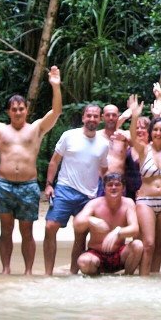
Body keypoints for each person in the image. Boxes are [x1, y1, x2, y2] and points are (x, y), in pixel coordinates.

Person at [0, 68, 62, 275]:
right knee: (6, 230)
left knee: (27, 232)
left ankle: (28, 271)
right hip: (4, 185)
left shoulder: (36, 128)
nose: (18, 112)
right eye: (14, 109)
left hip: (28, 186)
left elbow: (56, 112)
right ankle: (6, 269)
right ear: (8, 112)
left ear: (26, 110)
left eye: (21, 109)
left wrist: (55, 86)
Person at [44, 103, 111, 274]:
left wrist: (109, 193)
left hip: (88, 196)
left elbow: (104, 170)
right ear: (83, 118)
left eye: (96, 116)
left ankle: (74, 273)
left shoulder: (103, 144)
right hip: (65, 189)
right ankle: (48, 273)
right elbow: (54, 161)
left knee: (80, 235)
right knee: (50, 226)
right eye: (89, 115)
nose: (92, 119)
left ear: (100, 119)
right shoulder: (69, 136)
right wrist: (49, 184)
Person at [132, 112, 161, 276]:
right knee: (148, 243)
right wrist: (135, 117)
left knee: (160, 244)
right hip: (146, 200)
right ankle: (143, 279)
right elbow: (131, 135)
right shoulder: (143, 149)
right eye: (155, 129)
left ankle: (154, 280)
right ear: (150, 132)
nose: (158, 133)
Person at [75, 173, 143, 276]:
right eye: (110, 185)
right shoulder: (95, 203)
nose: (113, 187)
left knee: (138, 245)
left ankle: (128, 278)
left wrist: (118, 232)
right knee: (84, 261)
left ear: (123, 188)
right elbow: (76, 222)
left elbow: (134, 229)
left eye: (117, 184)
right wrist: (90, 219)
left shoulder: (128, 203)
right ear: (104, 188)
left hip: (119, 254)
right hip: (96, 254)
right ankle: (96, 281)